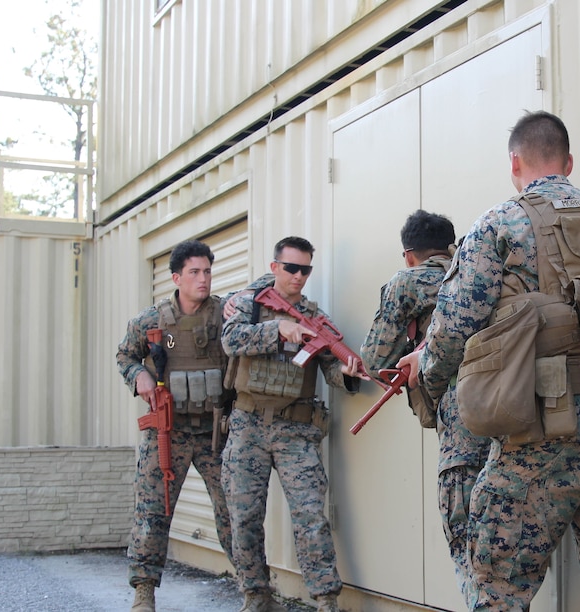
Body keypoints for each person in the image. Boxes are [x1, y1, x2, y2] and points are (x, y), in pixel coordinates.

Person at [408, 111, 580, 610]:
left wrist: (429, 386)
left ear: (514, 162)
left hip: (543, 427)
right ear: (568, 162)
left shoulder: (500, 223)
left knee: (498, 588)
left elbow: (454, 327)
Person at [220, 236, 362, 612]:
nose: (298, 276)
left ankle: (326, 599)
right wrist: (278, 329)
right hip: (248, 425)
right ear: (275, 268)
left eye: (305, 269)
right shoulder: (251, 306)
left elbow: (331, 369)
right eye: (291, 268)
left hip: (295, 430)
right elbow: (230, 341)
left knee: (311, 517)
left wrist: (347, 373)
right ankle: (256, 595)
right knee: (244, 516)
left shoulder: (317, 318)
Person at [359, 210, 492, 603]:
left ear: (409, 255)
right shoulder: (483, 273)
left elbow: (374, 359)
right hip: (513, 415)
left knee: (469, 546)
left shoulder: (408, 281)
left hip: (462, 430)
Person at [116, 240, 238, 612]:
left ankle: (254, 590)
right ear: (176, 277)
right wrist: (138, 374)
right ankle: (144, 592)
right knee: (153, 512)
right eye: (195, 272)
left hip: (216, 431)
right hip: (168, 430)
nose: (203, 279)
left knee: (235, 511)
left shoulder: (227, 315)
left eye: (208, 271)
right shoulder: (153, 322)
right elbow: (125, 354)